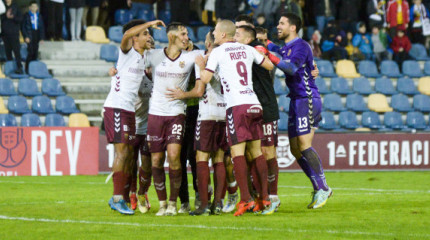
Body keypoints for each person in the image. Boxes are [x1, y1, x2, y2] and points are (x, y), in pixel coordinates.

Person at [195, 19, 275, 216]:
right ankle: (264, 198)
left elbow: (205, 79)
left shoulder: (218, 52)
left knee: (237, 154)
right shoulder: (247, 49)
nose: (213, 33)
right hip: (254, 104)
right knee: (256, 152)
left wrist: (201, 65)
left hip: (237, 107)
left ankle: (245, 199)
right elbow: (269, 66)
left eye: (215, 30)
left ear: (223, 34)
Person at [266, 13, 332, 209]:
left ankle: (323, 187)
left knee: (304, 145)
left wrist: (269, 54)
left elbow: (292, 68)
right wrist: (264, 42)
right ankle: (318, 187)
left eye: (282, 23)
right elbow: (277, 49)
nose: (278, 25)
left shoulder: (301, 45)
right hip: (296, 100)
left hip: (307, 98)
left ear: (293, 27)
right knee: (295, 149)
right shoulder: (287, 47)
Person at [103, 19, 165, 215]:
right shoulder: (127, 52)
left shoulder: (143, 57)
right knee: (122, 153)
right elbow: (126, 36)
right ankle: (117, 198)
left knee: (129, 155)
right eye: (146, 33)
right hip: (117, 107)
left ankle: (122, 195)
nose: (149, 36)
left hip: (128, 110)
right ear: (135, 37)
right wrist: (150, 22)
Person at [144, 22, 203, 216]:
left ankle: (173, 204)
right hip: (155, 114)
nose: (187, 37)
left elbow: (213, 55)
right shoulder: (153, 55)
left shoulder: (192, 56)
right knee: (157, 159)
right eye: (183, 34)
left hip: (177, 113)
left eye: (187, 34)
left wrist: (184, 95)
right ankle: (161, 204)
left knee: (175, 157)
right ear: (172, 37)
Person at [166, 30, 227, 216]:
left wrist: (183, 94)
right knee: (217, 158)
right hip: (223, 111)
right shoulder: (226, 57)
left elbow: (201, 87)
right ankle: (216, 202)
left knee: (198, 158)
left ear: (208, 44)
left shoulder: (204, 58)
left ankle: (203, 203)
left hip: (203, 112)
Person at [233, 25, 281, 215]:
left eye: (264, 40)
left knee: (267, 152)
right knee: (251, 154)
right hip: (250, 106)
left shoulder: (257, 50)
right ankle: (257, 197)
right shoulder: (242, 51)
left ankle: (273, 197)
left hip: (266, 106)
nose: (262, 44)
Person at [21, 1, 45, 74]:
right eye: (32, 6)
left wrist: (41, 38)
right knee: (30, 52)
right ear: (30, 7)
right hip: (30, 34)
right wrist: (26, 36)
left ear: (37, 8)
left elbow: (41, 28)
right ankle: (27, 69)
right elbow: (23, 27)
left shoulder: (39, 16)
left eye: (35, 6)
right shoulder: (26, 15)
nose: (34, 8)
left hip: (36, 34)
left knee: (35, 52)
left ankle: (34, 69)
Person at [1, 0, 23, 74]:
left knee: (17, 51)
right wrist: (5, 16)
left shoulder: (16, 7)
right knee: (8, 52)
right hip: (5, 34)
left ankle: (19, 68)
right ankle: (9, 68)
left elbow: (20, 19)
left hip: (14, 33)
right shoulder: (2, 7)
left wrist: (12, 17)